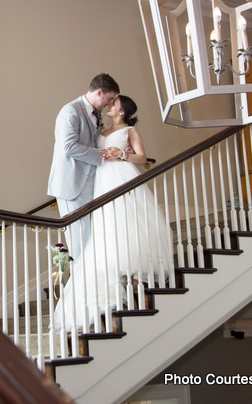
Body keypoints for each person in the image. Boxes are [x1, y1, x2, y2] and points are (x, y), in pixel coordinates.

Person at [53, 95, 174, 333]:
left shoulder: (131, 130)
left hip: (121, 175)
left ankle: (133, 271)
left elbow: (141, 157)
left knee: (126, 220)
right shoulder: (102, 129)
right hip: (101, 179)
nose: (110, 105)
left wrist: (122, 155)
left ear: (123, 110)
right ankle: (116, 270)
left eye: (114, 103)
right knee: (105, 224)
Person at [47, 73, 121, 258]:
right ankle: (82, 285)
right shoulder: (70, 111)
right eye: (109, 99)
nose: (110, 104)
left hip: (90, 185)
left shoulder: (97, 115)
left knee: (91, 239)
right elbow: (68, 147)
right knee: (79, 240)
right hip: (71, 184)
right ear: (99, 92)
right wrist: (103, 155)